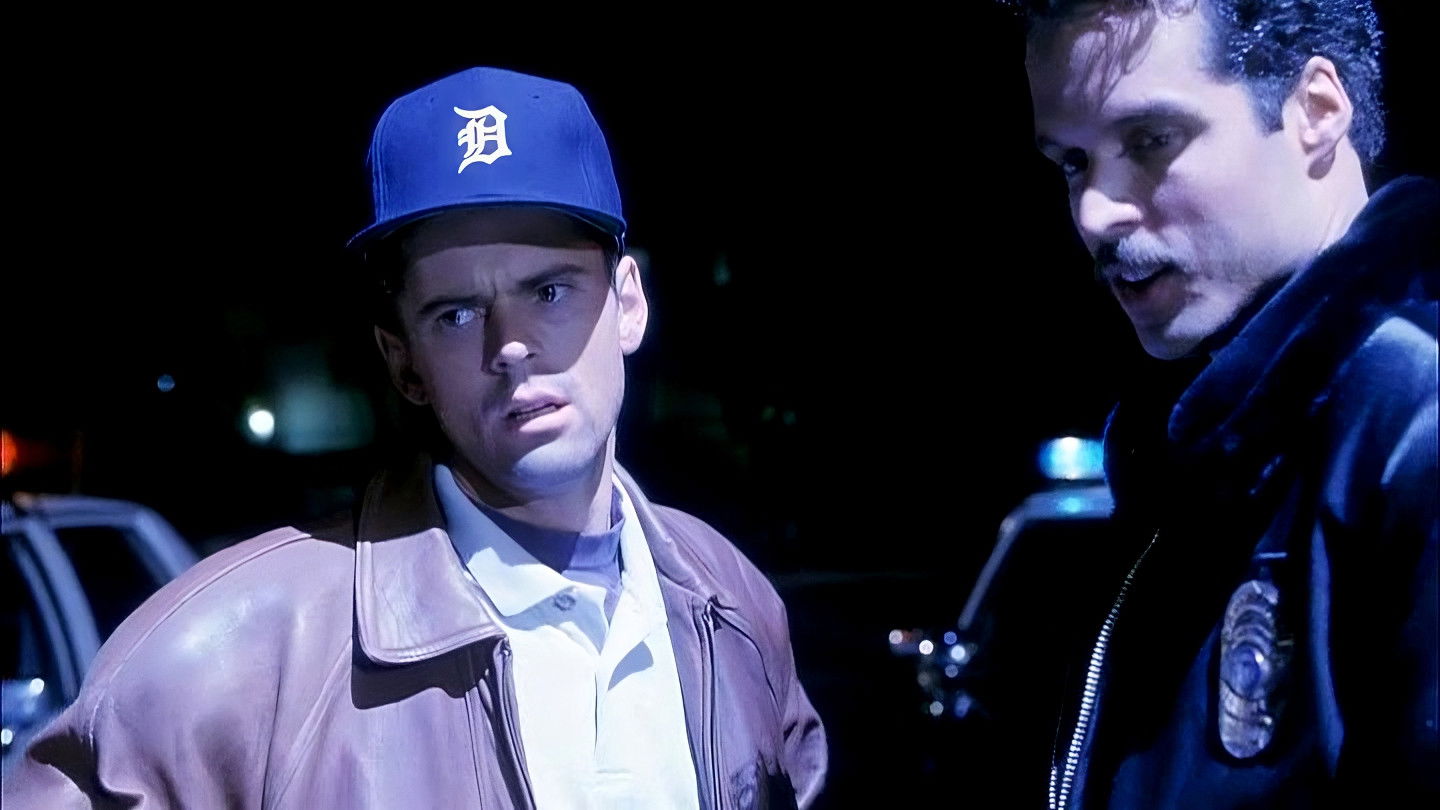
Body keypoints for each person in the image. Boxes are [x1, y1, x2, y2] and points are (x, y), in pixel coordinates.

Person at [3, 67, 826, 809]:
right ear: (403, 362)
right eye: (457, 313)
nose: (510, 343)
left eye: (549, 290)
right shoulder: (233, 657)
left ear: (629, 304)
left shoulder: (731, 603)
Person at [1018, 1, 1437, 807]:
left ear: (1317, 111)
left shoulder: (1416, 416)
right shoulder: (1191, 452)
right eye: (1073, 162)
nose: (1094, 214)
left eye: (1150, 140)